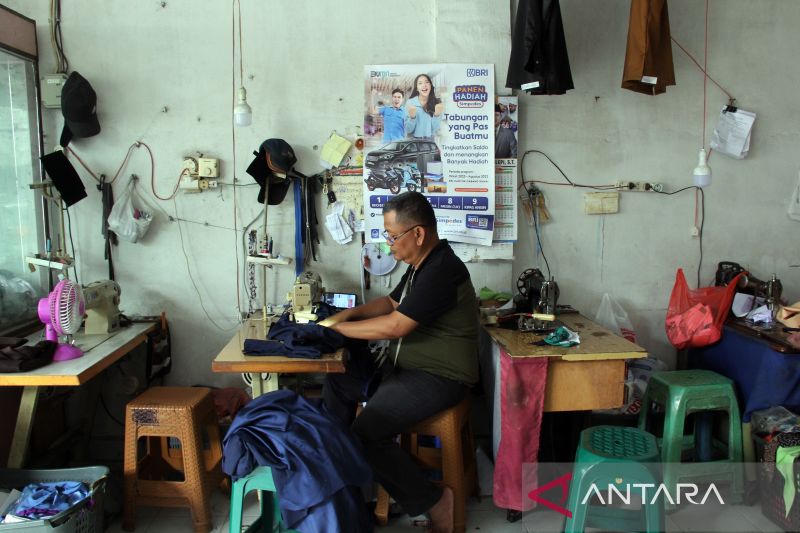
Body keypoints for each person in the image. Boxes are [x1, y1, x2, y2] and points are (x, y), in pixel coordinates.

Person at [321, 192, 478, 533]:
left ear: (418, 234)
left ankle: (433, 501)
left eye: (393, 236)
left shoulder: (443, 268)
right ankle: (338, 485)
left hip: (439, 376)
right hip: (405, 371)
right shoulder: (420, 266)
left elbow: (396, 326)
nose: (389, 244)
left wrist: (341, 330)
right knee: (339, 379)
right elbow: (391, 304)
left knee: (366, 434)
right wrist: (342, 317)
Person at [405, 74, 443, 139]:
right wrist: (412, 118)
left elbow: (436, 129)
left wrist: (437, 115)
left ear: (430, 85)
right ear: (417, 88)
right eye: (420, 83)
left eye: (427, 82)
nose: (424, 85)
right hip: (413, 143)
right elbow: (408, 130)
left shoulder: (437, 103)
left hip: (430, 142)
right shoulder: (410, 103)